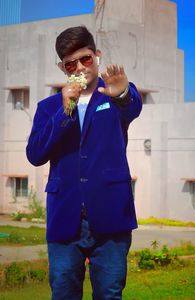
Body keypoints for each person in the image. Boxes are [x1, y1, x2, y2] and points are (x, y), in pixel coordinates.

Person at [26, 26, 142, 300]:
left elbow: (133, 106)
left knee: (110, 294)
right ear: (63, 67)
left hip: (112, 215)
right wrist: (66, 109)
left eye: (86, 59)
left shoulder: (115, 95)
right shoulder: (48, 107)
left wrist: (123, 94)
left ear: (97, 55)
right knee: (64, 293)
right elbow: (35, 154)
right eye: (71, 63)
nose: (80, 66)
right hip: (64, 218)